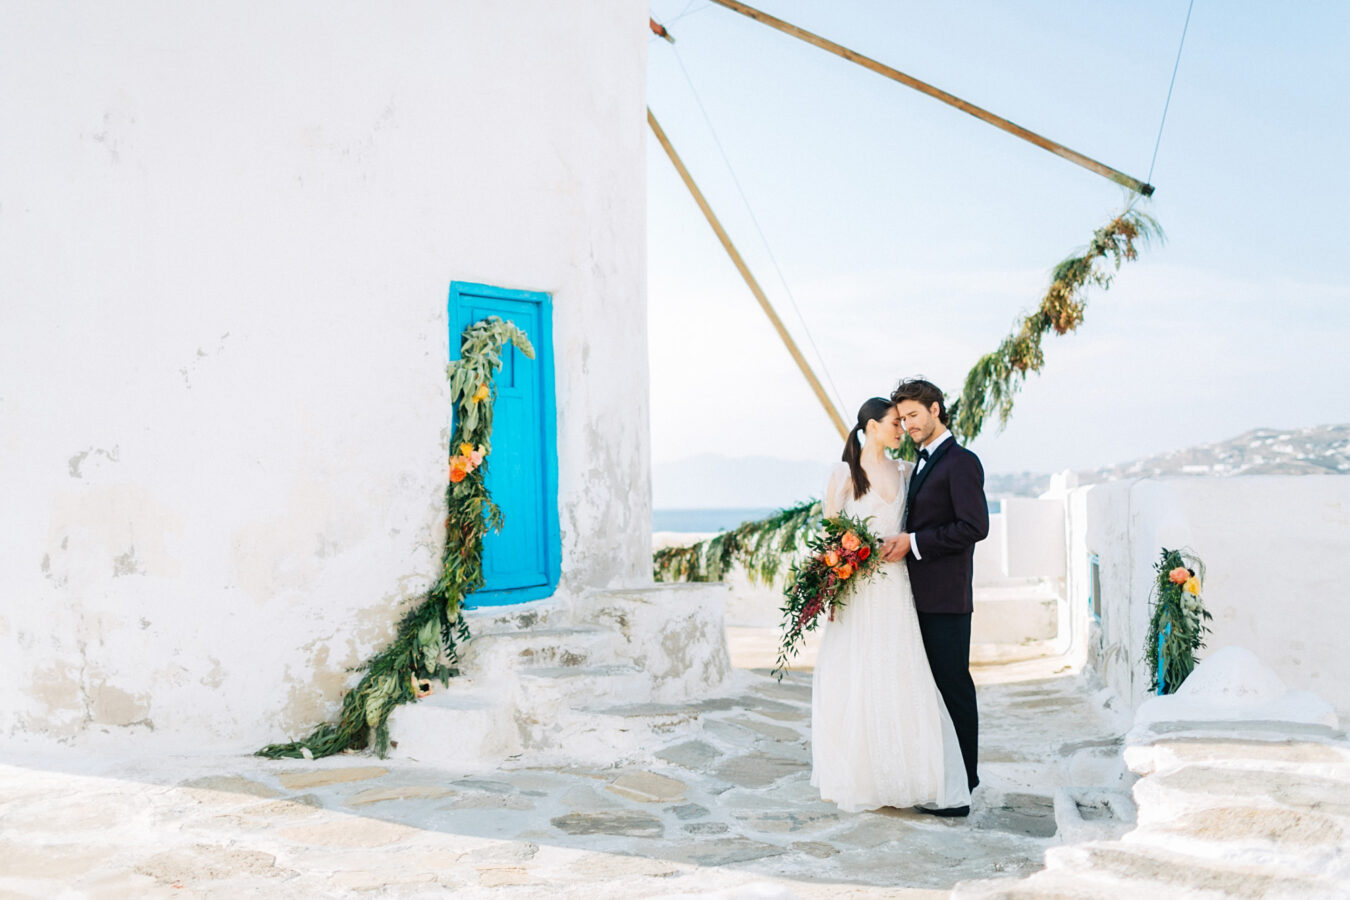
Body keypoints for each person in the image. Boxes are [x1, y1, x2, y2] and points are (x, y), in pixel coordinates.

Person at [810, 397, 970, 814]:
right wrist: (832, 584)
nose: (901, 430)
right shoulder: (844, 474)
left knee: (902, 673)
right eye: (894, 423)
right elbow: (830, 537)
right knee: (859, 673)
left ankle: (912, 773)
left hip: (897, 587)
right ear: (871, 427)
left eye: (904, 422)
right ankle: (865, 776)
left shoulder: (906, 470)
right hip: (858, 591)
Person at [881, 378, 990, 816]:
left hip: (945, 597)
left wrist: (915, 543)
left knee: (953, 690)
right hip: (920, 597)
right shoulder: (924, 461)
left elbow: (973, 526)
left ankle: (962, 790)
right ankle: (951, 780)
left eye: (913, 415)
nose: (908, 425)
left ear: (936, 410)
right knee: (935, 693)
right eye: (902, 418)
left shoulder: (960, 461)